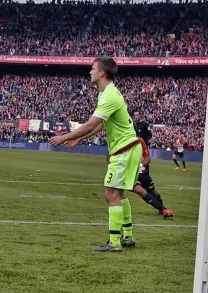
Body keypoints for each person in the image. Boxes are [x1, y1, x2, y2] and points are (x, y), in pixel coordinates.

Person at [51, 57, 143, 252]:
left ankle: (115, 243)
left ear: (102, 72)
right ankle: (127, 236)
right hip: (129, 148)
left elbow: (92, 124)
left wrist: (64, 137)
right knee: (119, 193)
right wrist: (79, 139)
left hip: (124, 150)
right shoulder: (106, 93)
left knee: (111, 193)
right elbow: (101, 124)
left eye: (92, 68)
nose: (89, 72)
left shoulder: (109, 95)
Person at [132, 111, 174, 218]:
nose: (136, 117)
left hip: (141, 164)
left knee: (150, 189)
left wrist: (145, 142)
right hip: (130, 170)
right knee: (139, 190)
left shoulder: (142, 132)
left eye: (137, 115)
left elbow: (148, 158)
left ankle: (162, 208)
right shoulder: (124, 138)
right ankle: (162, 209)